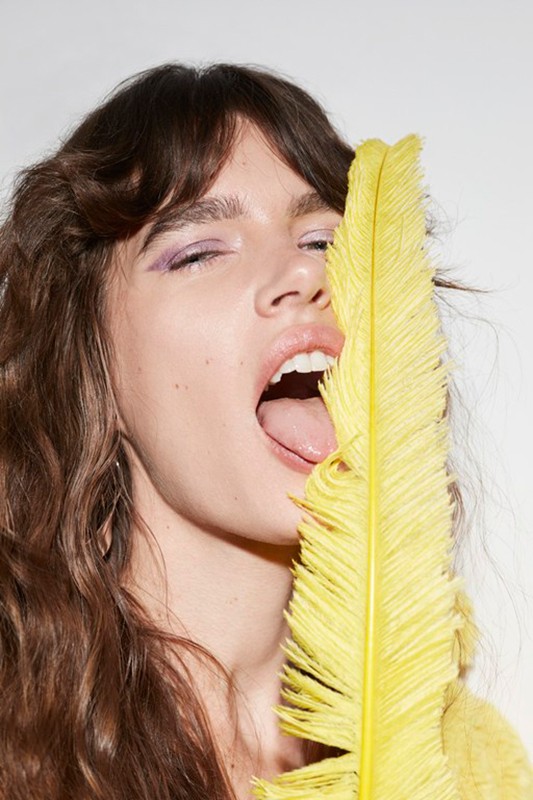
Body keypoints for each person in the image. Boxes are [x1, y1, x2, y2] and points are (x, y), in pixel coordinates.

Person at [0, 63, 530, 800]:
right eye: (199, 252)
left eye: (324, 241)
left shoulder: (470, 765)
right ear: (88, 360)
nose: (303, 275)